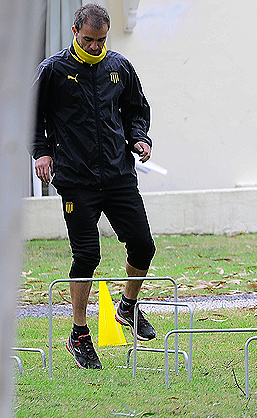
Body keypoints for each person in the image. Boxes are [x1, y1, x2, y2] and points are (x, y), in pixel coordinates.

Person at [31, 3, 157, 369]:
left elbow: (136, 110)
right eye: (88, 40)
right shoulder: (54, 70)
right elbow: (29, 116)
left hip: (119, 176)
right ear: (75, 33)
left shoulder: (119, 67)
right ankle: (79, 333)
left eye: (101, 40)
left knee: (144, 246)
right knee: (87, 257)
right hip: (76, 179)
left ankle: (128, 307)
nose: (94, 46)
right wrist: (41, 153)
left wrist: (140, 138)